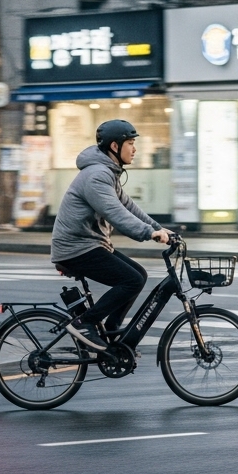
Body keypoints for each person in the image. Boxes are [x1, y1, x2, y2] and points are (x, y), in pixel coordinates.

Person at [51, 119, 170, 351]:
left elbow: (129, 207)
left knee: (139, 274)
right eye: (131, 143)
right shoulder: (96, 176)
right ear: (115, 147)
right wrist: (149, 233)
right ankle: (85, 323)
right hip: (76, 247)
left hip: (90, 244)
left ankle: (113, 332)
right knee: (131, 280)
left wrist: (161, 228)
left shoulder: (108, 173)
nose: (135, 149)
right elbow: (115, 213)